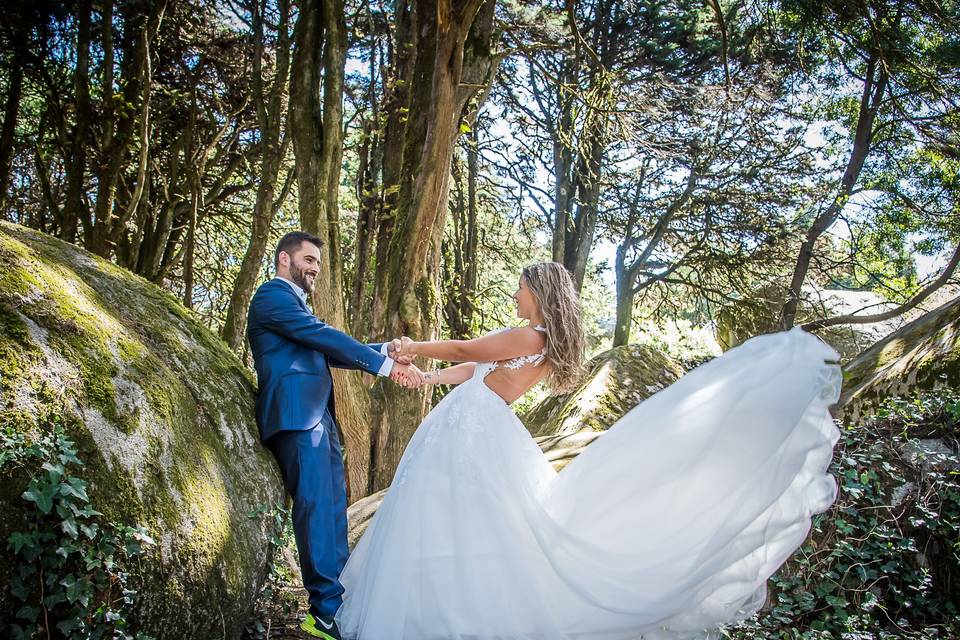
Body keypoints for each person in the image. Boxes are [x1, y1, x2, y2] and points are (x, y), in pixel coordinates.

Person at [336, 261, 842, 640]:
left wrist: (414, 347)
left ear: (537, 291)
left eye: (520, 287)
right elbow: (471, 371)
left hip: (473, 435)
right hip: (473, 427)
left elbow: (469, 351)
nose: (515, 294)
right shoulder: (537, 341)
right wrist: (427, 375)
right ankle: (440, 609)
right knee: (457, 521)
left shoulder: (531, 334)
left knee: (463, 520)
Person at [246, 231, 424, 640]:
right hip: (294, 417)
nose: (314, 268)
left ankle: (341, 604)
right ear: (283, 259)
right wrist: (386, 367)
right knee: (313, 507)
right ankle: (324, 611)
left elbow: (326, 348)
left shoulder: (296, 310)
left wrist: (385, 350)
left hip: (319, 419)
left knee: (331, 508)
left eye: (319, 263)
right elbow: (323, 337)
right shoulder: (272, 296)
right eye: (308, 259)